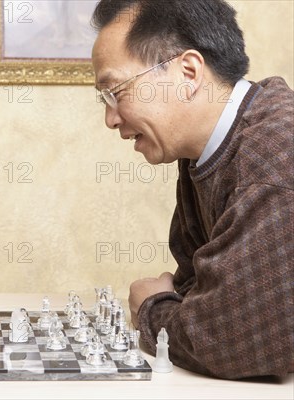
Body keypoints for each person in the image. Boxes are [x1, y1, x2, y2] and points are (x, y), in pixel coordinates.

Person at [90, 0, 293, 379]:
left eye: (116, 91)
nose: (110, 118)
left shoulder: (277, 152)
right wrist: (188, 306)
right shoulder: (206, 148)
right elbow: (195, 286)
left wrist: (152, 307)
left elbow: (235, 341)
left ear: (188, 72)